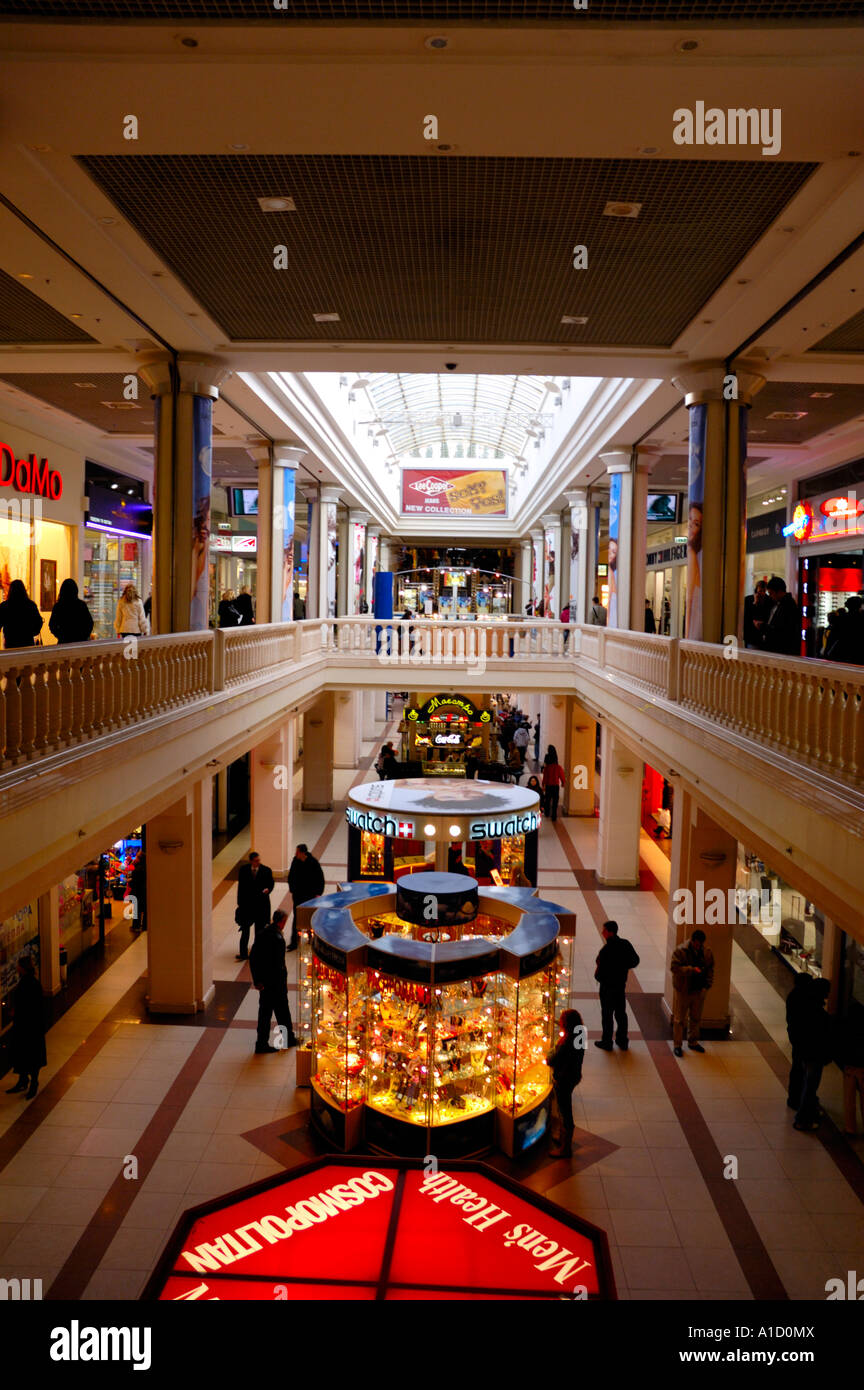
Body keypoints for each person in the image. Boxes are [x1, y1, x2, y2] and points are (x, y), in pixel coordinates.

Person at [249, 909, 297, 1053]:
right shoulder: (278, 939)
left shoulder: (262, 934)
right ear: (281, 921)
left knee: (265, 1013)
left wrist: (257, 980)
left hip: (265, 983)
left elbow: (254, 958)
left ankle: (262, 1042)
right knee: (282, 1012)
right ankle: (286, 1039)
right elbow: (278, 964)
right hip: (276, 983)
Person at [792, 978, 833, 1132]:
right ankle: (802, 1119)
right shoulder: (818, 1014)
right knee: (810, 1086)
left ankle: (807, 1114)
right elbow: (822, 1036)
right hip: (814, 1055)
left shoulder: (806, 1008)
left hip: (805, 1053)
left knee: (808, 1084)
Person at [594, 920, 641, 1052]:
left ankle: (607, 1041)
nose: (602, 932)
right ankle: (622, 1040)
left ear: (610, 932)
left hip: (607, 988)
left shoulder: (606, 950)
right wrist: (623, 966)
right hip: (620, 986)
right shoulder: (625, 944)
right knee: (621, 1014)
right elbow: (635, 960)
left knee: (607, 1015)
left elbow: (598, 973)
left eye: (604, 930)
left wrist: (602, 976)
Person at [4, 955, 46, 1100]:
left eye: (18, 966)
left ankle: (31, 1082)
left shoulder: (29, 984)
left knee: (30, 1055)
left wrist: (16, 1012)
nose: (16, 968)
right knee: (24, 1054)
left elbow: (31, 1006)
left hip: (29, 1027)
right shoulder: (30, 982)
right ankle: (24, 1080)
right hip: (27, 1026)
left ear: (22, 968)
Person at [547, 1009, 585, 1157]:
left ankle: (565, 1148)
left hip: (564, 1079)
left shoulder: (566, 1043)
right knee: (564, 1108)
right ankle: (563, 1138)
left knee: (564, 1111)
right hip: (574, 1076)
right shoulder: (580, 1032)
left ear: (566, 1024)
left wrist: (551, 1051)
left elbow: (551, 1060)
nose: (560, 1023)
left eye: (561, 1021)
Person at [670, 929, 714, 1056]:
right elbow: (674, 968)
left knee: (695, 1018)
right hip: (684, 990)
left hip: (699, 990)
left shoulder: (707, 952)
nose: (698, 946)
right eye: (696, 944)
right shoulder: (680, 951)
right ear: (692, 940)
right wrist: (691, 970)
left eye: (700, 944)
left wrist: (707, 985)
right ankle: (677, 1045)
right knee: (679, 1019)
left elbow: (710, 969)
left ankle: (693, 1042)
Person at [235, 851, 274, 960]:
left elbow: (271, 883)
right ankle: (243, 953)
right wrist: (240, 904)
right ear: (251, 861)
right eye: (256, 861)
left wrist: (268, 889)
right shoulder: (243, 870)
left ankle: (257, 952)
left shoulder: (266, 870)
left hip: (261, 906)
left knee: (259, 930)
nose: (258, 862)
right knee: (245, 931)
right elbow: (241, 888)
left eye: (259, 860)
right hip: (247, 906)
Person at [785, 972, 815, 1113]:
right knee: (799, 1069)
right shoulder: (802, 999)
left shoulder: (793, 996)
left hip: (796, 1037)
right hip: (801, 1039)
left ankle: (795, 1097)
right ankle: (796, 1098)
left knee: (797, 1067)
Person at [286, 843, 325, 950]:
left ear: (302, 853)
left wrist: (318, 893)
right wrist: (292, 889)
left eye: (297, 852)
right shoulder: (295, 861)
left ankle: (311, 938)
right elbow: (291, 877)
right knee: (297, 918)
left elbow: (320, 879)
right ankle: (294, 942)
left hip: (310, 896)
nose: (295, 854)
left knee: (309, 917)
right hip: (298, 895)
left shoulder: (313, 863)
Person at [838, 999, 864, 1136]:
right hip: (862, 1066)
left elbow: (841, 1047)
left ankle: (850, 1127)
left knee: (849, 1098)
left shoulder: (846, 1028)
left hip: (849, 1066)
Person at [760, 577, 801, 657]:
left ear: (778, 592)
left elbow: (782, 631)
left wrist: (763, 627)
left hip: (781, 652)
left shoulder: (788, 606)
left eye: (771, 593)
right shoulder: (777, 604)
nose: (770, 596)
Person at [48, 578, 94, 645]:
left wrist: (60, 636)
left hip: (63, 643)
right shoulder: (81, 605)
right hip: (80, 643)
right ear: (76, 590)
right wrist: (83, 636)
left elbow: (52, 625)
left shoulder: (58, 606)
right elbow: (90, 623)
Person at [0, 578, 43, 649]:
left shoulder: (5, 606)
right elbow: (38, 623)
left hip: (10, 642)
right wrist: (32, 632)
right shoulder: (30, 605)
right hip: (27, 641)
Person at [743, 579, 770, 648]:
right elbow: (747, 616)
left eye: (764, 591)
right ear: (756, 590)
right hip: (751, 635)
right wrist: (755, 603)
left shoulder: (769, 601)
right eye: (760, 591)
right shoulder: (748, 600)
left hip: (763, 635)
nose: (762, 593)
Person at [541, 745, 565, 821]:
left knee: (547, 799)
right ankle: (554, 816)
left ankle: (547, 812)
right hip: (555, 786)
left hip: (548, 785)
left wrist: (543, 785)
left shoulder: (547, 768)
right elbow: (562, 775)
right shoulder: (558, 767)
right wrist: (563, 783)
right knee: (555, 801)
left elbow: (545, 777)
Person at [127, 849, 147, 934]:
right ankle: (145, 926)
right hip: (145, 890)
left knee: (137, 909)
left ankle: (136, 926)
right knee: (145, 909)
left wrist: (130, 881)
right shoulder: (146, 866)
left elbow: (135, 881)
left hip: (137, 891)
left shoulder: (137, 869)